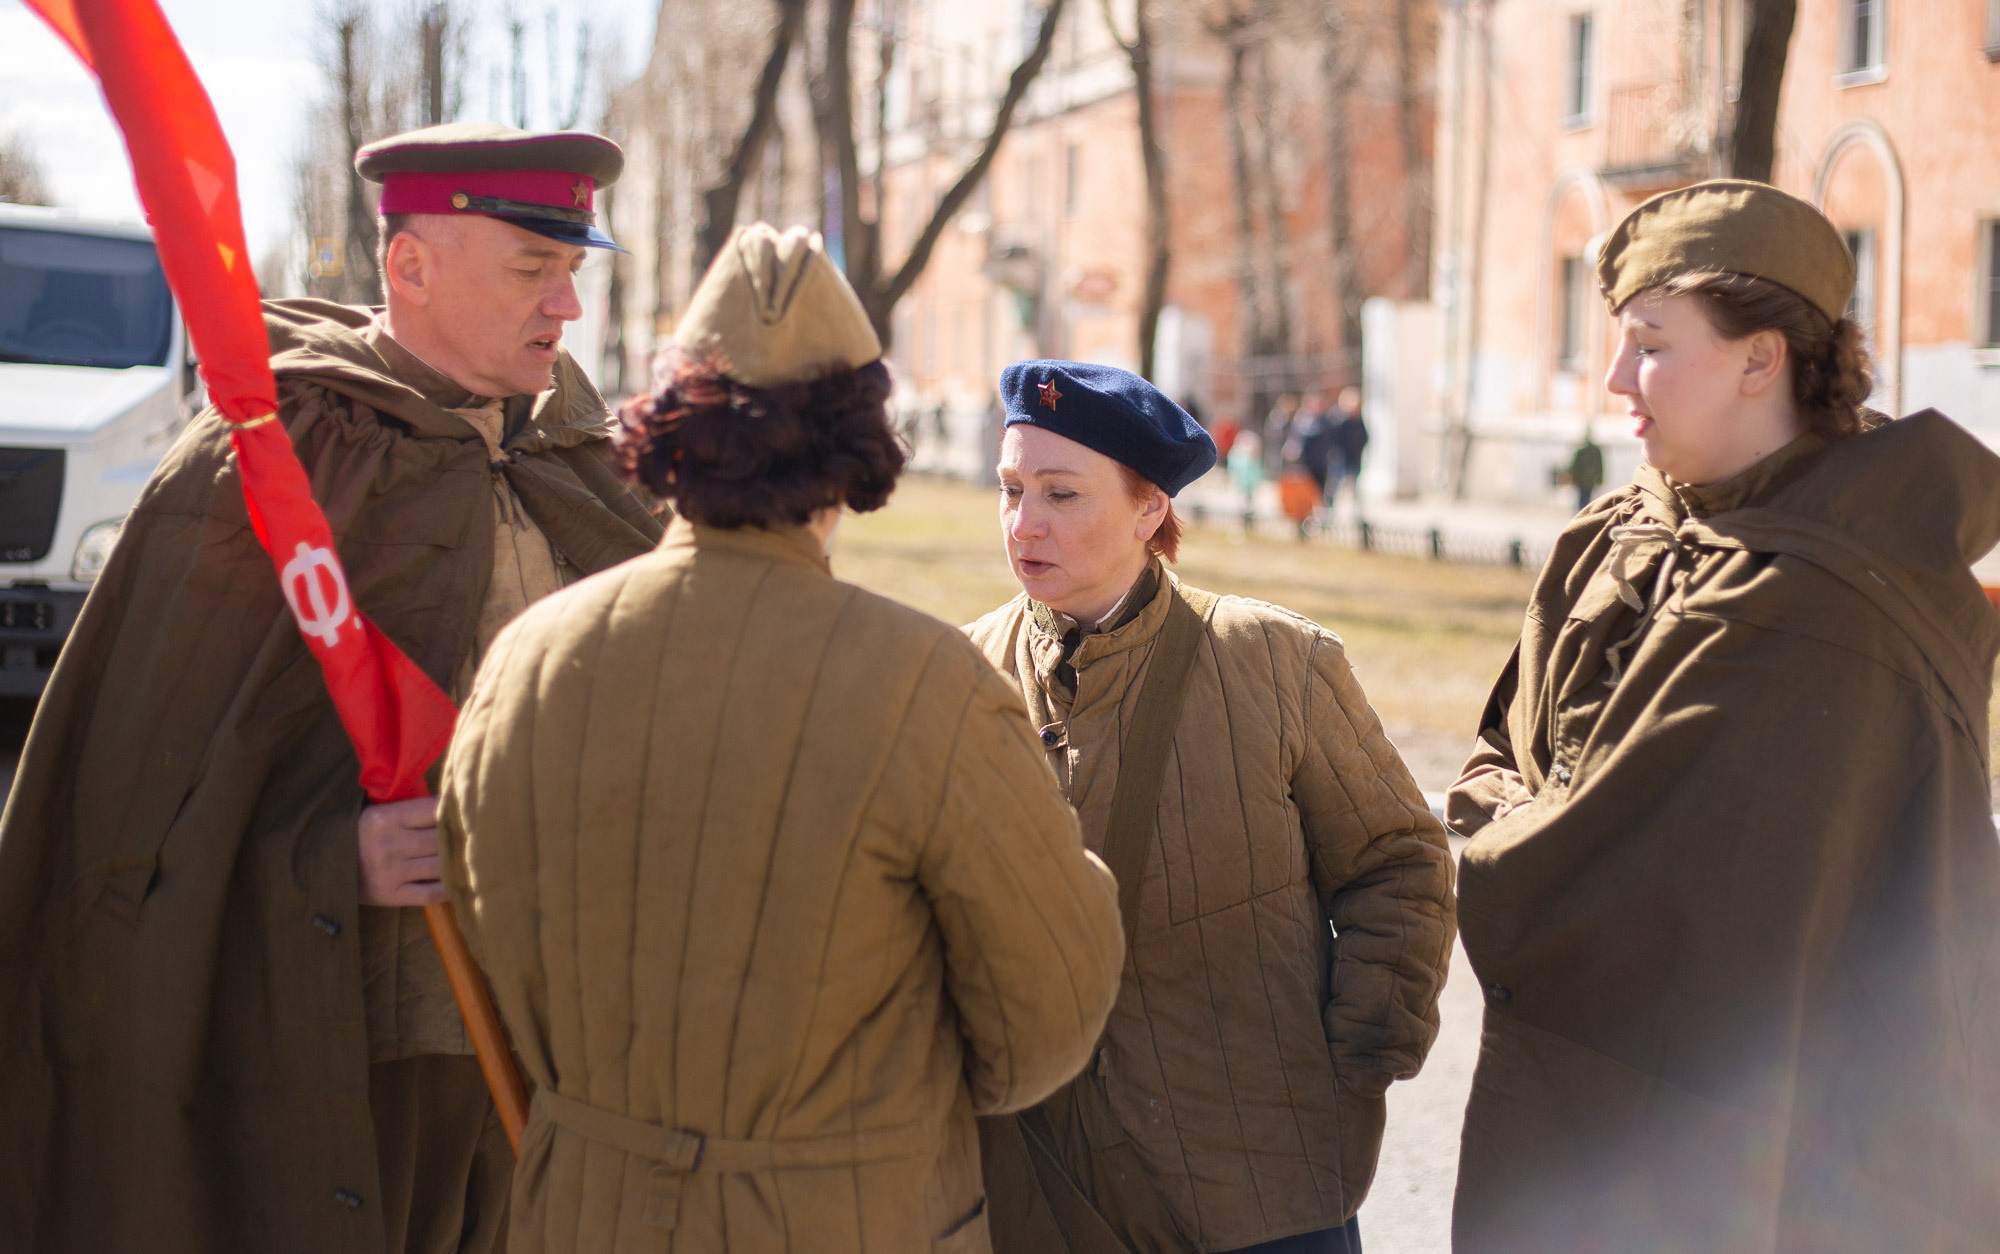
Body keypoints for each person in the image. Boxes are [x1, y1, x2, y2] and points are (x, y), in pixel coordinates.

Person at [0, 122, 664, 1254]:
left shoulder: (584, 463)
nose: (567, 309)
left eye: (570, 271)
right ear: (410, 266)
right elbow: (131, 814)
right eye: (528, 269)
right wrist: (328, 855)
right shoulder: (269, 460)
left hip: (569, 1042)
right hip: (350, 1047)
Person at [436, 225, 1126, 1254]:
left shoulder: (524, 662)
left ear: (668, 428)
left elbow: (484, 959)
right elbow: (1040, 1029)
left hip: (583, 1211)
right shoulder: (925, 685)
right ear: (854, 449)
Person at [1448, 180, 2000, 1252]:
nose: (1614, 379)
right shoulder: (1611, 536)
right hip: (1579, 1100)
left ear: (1761, 360)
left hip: (1757, 1145)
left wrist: (1514, 826)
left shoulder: (1826, 603)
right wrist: (1520, 814)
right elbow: (1497, 752)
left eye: (1650, 345)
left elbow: (1591, 878)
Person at [970, 360, 1457, 1254]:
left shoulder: (1276, 661)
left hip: (1263, 1194)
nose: (1023, 523)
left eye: (1061, 494)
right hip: (1044, 1193)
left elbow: (1399, 861)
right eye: (1010, 489)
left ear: (1150, 508)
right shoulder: (960, 679)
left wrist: (1357, 1059)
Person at [1325, 386, 1368, 521]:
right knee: (1334, 486)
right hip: (1339, 460)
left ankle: (1355, 515)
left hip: (1354, 459)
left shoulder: (1359, 422)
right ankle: (1329, 513)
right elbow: (1332, 440)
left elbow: (1365, 438)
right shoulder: (1338, 421)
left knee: (1354, 488)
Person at [1565, 425, 1604, 512]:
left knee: (1584, 499)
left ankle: (1582, 514)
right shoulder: (1590, 450)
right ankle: (1583, 514)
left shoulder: (1583, 450)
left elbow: (1599, 466)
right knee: (1585, 499)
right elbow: (1575, 466)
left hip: (1584, 481)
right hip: (1586, 481)